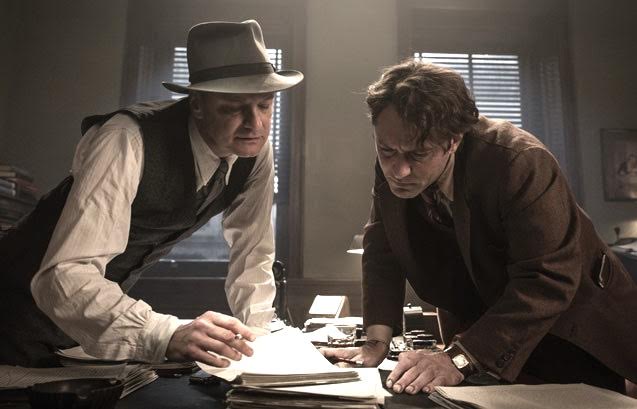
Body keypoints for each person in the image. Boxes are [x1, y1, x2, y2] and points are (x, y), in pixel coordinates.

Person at [323, 60, 637, 395]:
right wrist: (375, 342)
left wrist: (460, 358)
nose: (398, 171)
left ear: (453, 140)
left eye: (418, 155)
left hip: (568, 328)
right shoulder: (396, 156)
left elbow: (548, 279)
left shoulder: (520, 161)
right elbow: (383, 247)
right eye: (387, 151)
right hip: (478, 329)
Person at [0, 20, 303, 367]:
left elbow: (253, 253)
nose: (255, 124)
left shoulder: (254, 151)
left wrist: (261, 343)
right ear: (197, 104)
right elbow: (66, 274)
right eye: (234, 107)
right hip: (11, 310)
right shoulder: (125, 138)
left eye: (264, 105)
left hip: (78, 334)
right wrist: (164, 333)